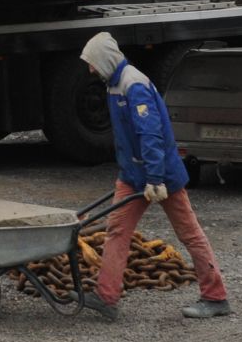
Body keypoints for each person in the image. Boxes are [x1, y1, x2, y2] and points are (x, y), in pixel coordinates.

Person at [77, 33, 232, 320]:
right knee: (117, 232)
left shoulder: (133, 84)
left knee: (189, 234)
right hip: (133, 176)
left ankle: (215, 297)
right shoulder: (113, 85)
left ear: (105, 59)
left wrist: (156, 179)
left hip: (162, 176)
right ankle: (106, 297)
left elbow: (151, 134)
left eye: (92, 63)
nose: (90, 69)